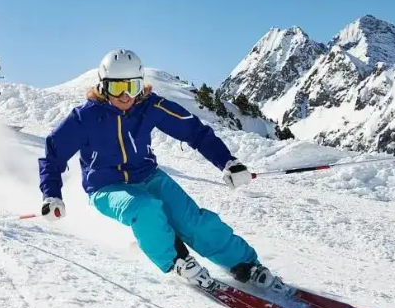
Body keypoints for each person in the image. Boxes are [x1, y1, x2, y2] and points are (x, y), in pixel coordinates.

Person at [37, 48, 287, 293]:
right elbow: (53, 155)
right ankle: (177, 260)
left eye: (132, 86)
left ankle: (245, 264)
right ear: (103, 86)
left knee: (193, 221)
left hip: (149, 176)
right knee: (144, 208)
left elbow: (195, 132)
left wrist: (228, 163)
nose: (125, 96)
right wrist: (52, 195)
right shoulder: (85, 118)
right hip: (105, 187)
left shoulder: (150, 107)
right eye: (117, 87)